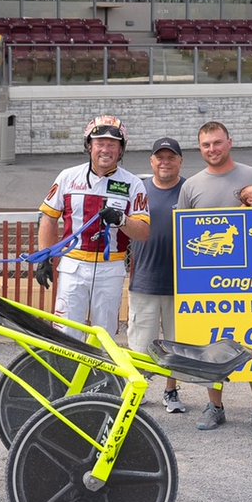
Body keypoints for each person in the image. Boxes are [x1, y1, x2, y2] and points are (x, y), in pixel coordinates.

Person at [177, 121, 252, 433]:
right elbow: (184, 235)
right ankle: (215, 406)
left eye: (217, 143)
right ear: (199, 148)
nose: (212, 150)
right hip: (208, 279)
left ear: (230, 142)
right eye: (205, 145)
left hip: (250, 279)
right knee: (211, 345)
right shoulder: (191, 186)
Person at [35, 114, 150, 338]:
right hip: (72, 266)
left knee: (104, 336)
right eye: (100, 144)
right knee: (66, 333)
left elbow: (144, 233)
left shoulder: (134, 184)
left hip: (110, 269)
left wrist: (122, 220)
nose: (105, 150)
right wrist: (43, 258)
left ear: (121, 150)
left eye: (112, 144)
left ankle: (100, 374)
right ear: (89, 146)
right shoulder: (67, 177)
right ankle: (66, 373)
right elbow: (48, 218)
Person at [128, 136, 187, 414]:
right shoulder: (138, 191)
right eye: (160, 157)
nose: (165, 162)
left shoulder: (190, 190)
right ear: (151, 161)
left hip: (181, 284)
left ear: (180, 161)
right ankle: (136, 389)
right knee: (140, 343)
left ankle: (171, 390)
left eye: (171, 157)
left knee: (175, 344)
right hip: (144, 280)